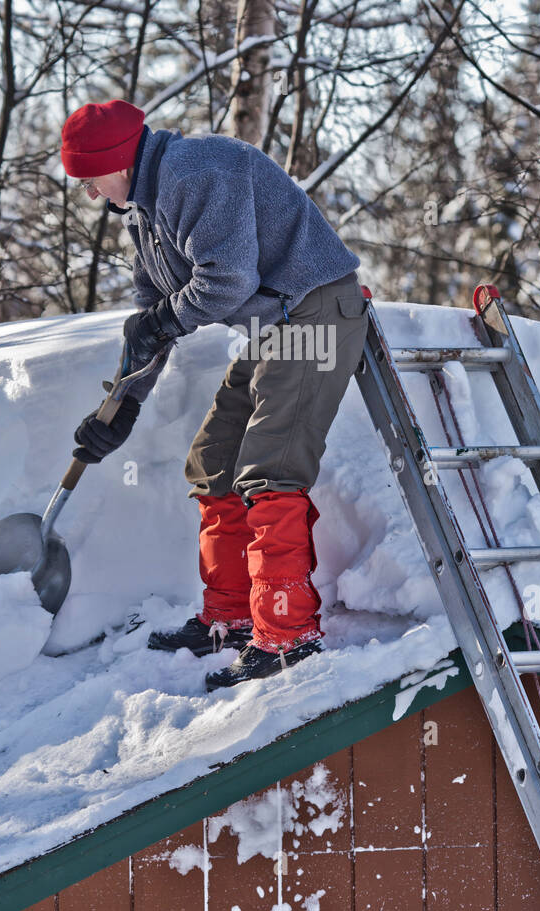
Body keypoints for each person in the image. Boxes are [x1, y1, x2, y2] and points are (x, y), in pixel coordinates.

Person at [62, 99, 368, 690]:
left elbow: (226, 279)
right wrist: (125, 402)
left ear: (118, 160)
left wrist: (163, 321)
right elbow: (149, 318)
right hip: (270, 325)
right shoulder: (144, 215)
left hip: (315, 312)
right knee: (213, 462)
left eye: (91, 179)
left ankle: (286, 637)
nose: (92, 195)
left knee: (269, 466)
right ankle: (228, 616)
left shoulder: (198, 172)